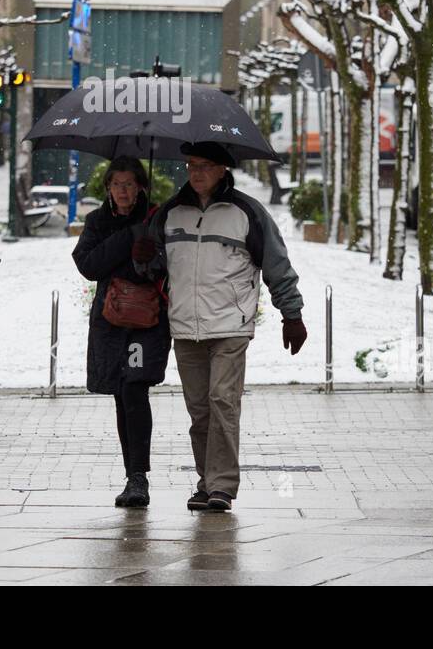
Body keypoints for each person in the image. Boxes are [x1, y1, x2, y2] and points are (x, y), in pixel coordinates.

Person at [135, 141, 306, 513]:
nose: (196, 173)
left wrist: (291, 315)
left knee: (222, 402)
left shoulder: (247, 212)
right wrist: (146, 258)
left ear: (223, 169)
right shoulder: (170, 213)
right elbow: (155, 271)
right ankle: (206, 481)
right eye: (191, 165)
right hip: (185, 326)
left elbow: (277, 264)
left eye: (205, 166)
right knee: (200, 410)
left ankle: (222, 486)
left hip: (231, 325)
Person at [71, 156, 170, 509]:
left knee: (134, 389)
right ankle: (132, 475)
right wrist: (127, 238)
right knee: (120, 393)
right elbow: (88, 264)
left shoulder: (157, 219)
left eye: (130, 184)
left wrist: (149, 254)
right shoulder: (98, 221)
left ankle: (139, 477)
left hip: (147, 321)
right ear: (108, 188)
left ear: (141, 186)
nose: (124, 191)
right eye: (117, 184)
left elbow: (166, 266)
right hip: (111, 322)